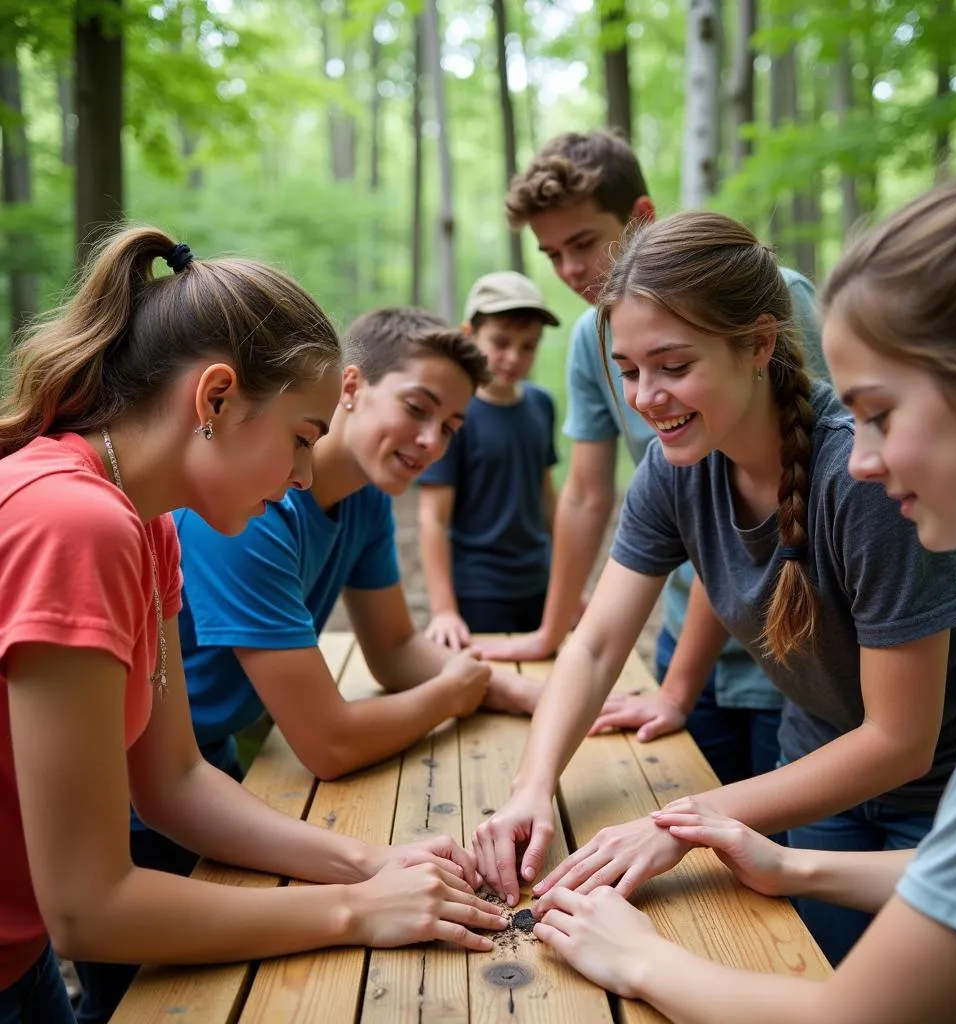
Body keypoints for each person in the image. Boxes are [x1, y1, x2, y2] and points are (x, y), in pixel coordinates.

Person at [524, 168, 956, 1024]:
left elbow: (900, 743)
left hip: (949, 798)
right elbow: (600, 641)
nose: (645, 398)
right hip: (819, 782)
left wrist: (673, 837)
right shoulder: (676, 470)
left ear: (759, 346)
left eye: (673, 366)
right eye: (629, 371)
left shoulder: (865, 485)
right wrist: (535, 785)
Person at [0, 229, 506, 1024]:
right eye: (302, 439)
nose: (305, 474)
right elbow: (89, 910)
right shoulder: (73, 523)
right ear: (215, 399)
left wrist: (370, 861)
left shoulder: (147, 523)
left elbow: (173, 781)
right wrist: (356, 912)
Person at [478, 130, 824, 786]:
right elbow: (585, 496)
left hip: (797, 631)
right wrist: (552, 632)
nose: (571, 271)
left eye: (583, 244)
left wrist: (680, 682)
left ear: (640, 218)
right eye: (551, 254)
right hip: (683, 617)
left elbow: (807, 467)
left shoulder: (769, 297)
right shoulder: (590, 340)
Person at [419, 272, 561, 648]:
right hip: (479, 592)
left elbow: (548, 501)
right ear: (469, 335)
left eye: (528, 346)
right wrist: (444, 609)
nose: (514, 357)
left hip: (539, 583)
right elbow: (433, 517)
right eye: (500, 342)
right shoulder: (454, 415)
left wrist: (567, 587)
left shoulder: (541, 405)